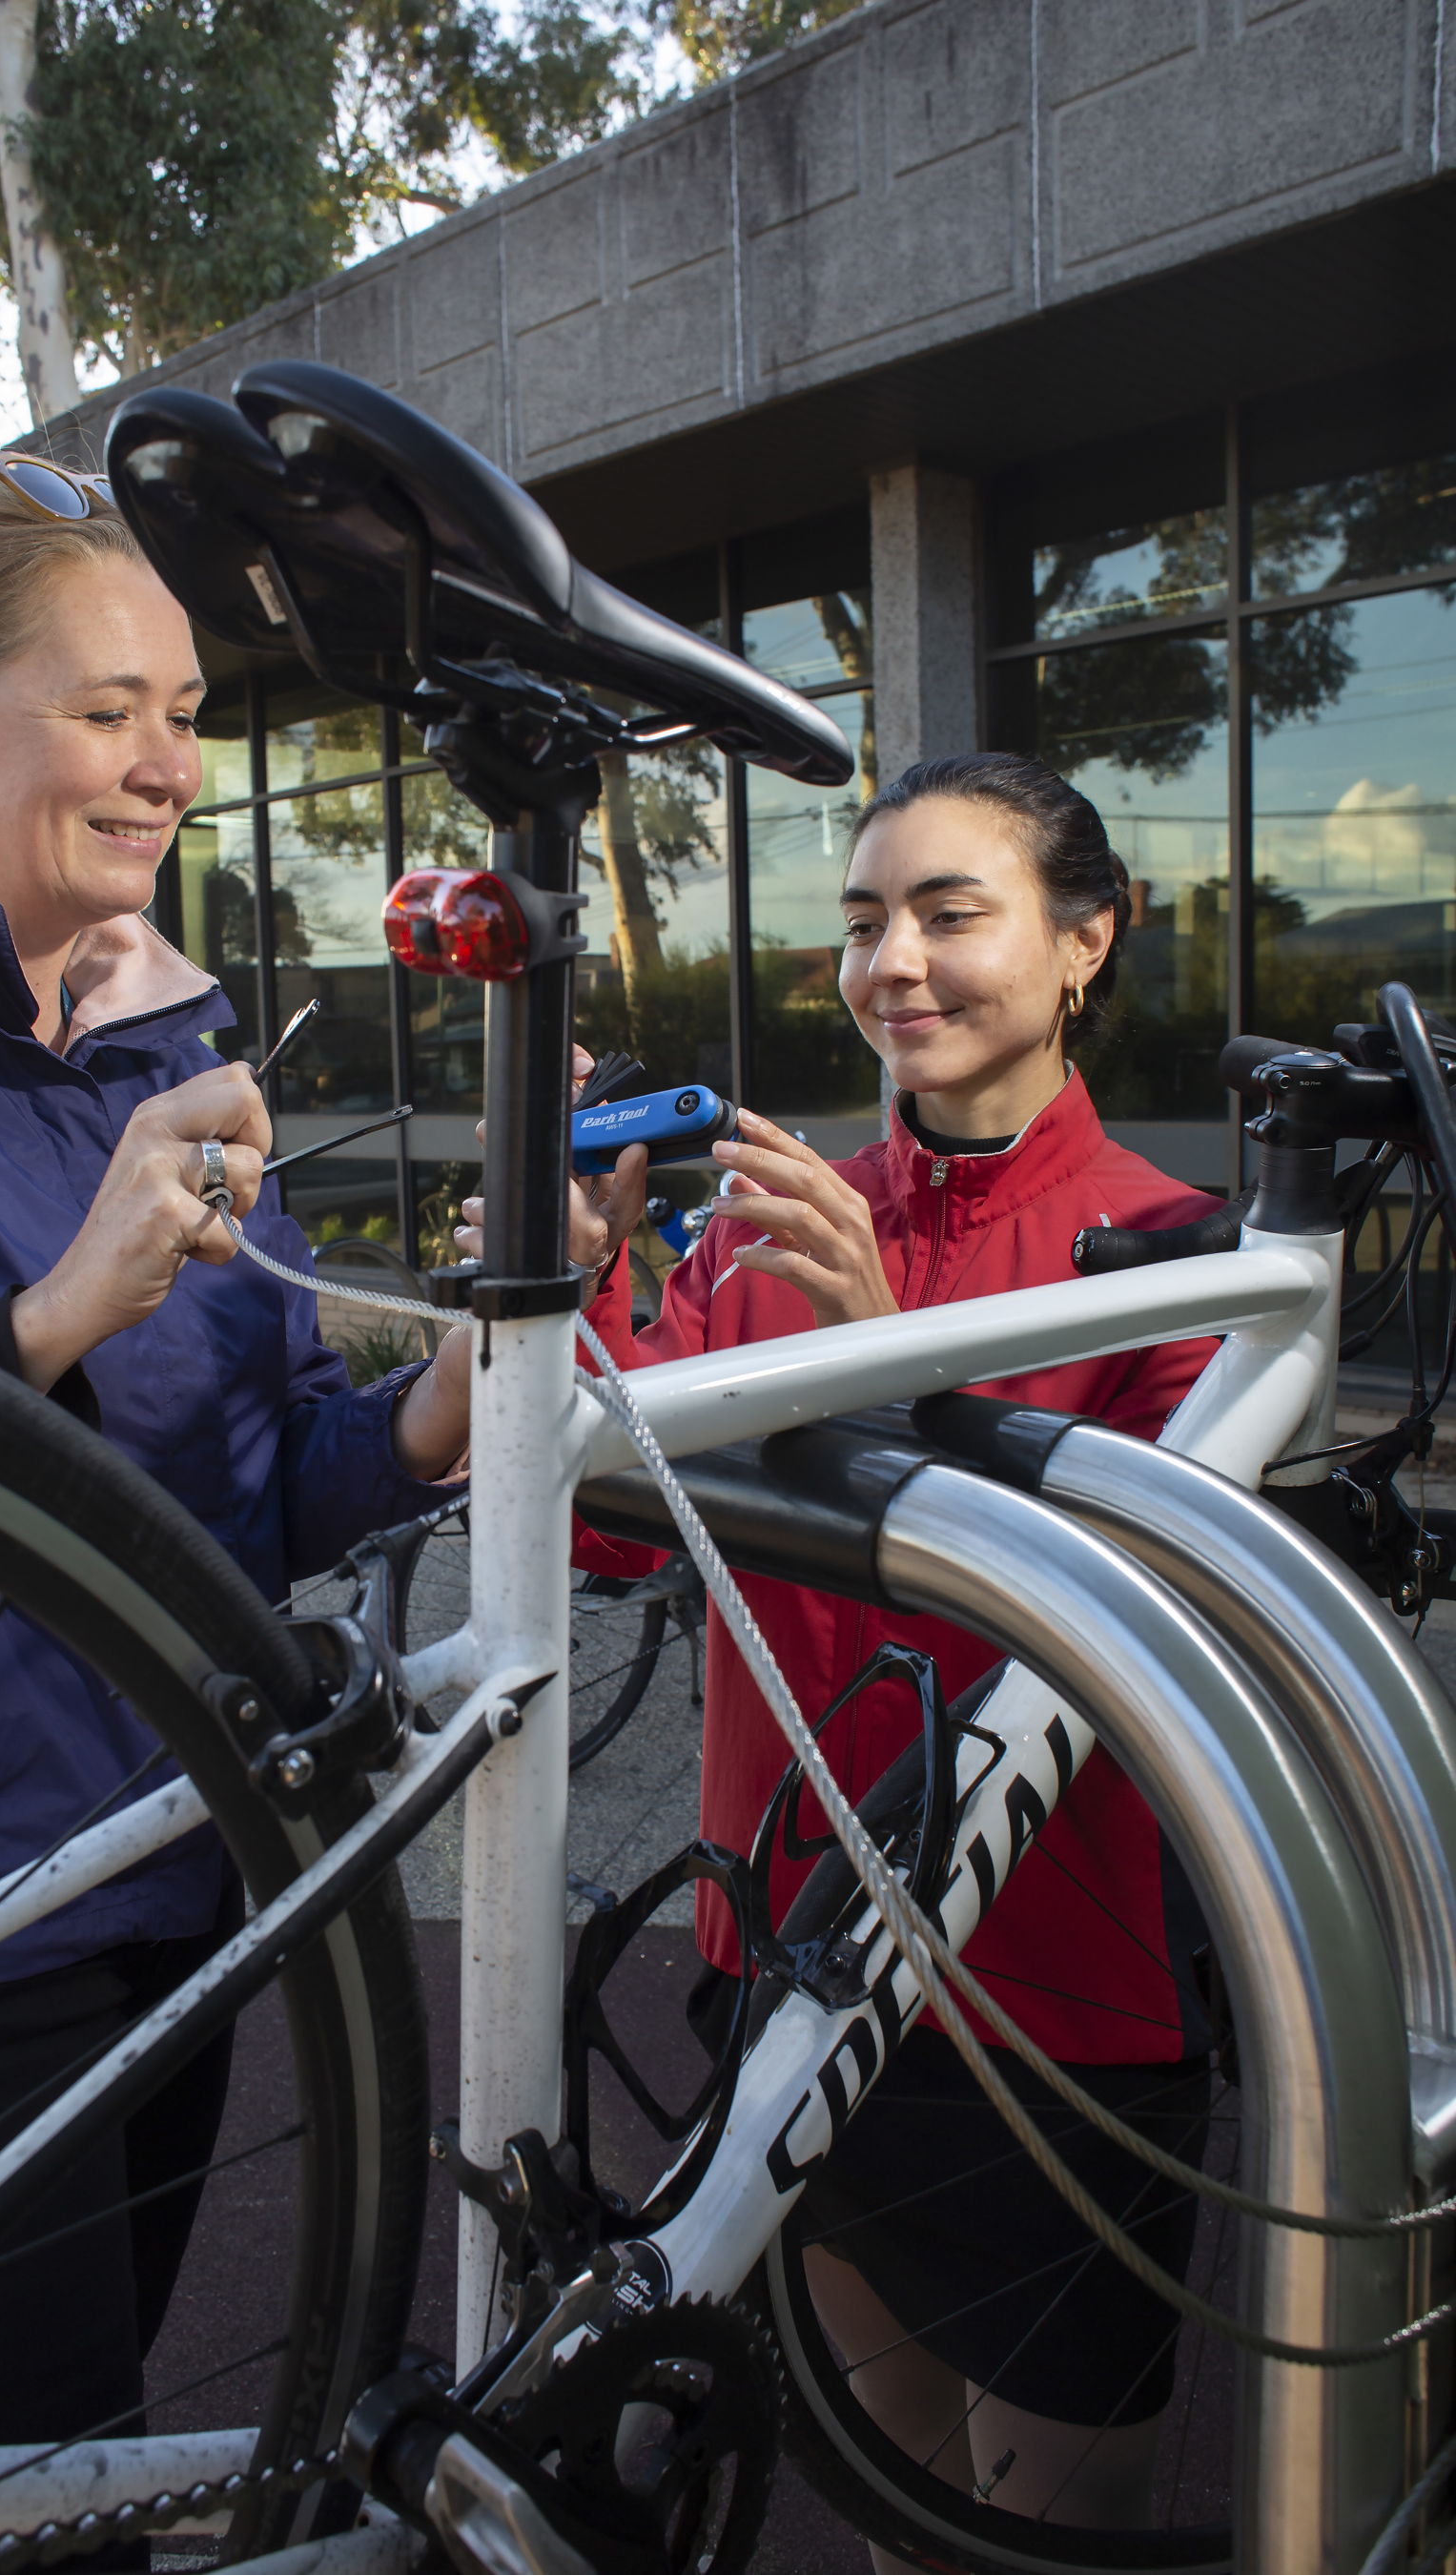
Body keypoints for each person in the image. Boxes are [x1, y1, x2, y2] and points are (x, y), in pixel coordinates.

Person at [0, 456, 472, 2489]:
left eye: (185, 713)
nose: (167, 765)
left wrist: (440, 1412)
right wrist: (51, 1318)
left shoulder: (167, 1034)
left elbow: (241, 1503)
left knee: (104, 2481)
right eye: (105, 709)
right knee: (9, 2530)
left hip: (178, 1902)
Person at [460, 752, 1221, 2545]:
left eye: (955, 914)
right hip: (780, 1959)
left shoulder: (1177, 1262)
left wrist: (891, 1356)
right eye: (868, 919)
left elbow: (1133, 1635)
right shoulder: (780, 1211)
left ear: (1084, 942)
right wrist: (579, 1290)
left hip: (1043, 2010)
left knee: (1044, 2535)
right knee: (887, 2507)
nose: (897, 962)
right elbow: (588, 1525)